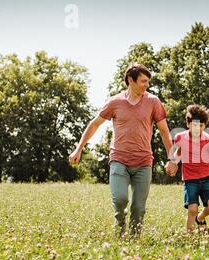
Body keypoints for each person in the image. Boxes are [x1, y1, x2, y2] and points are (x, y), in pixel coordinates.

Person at [69, 63, 177, 239]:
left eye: (148, 81)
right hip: (119, 159)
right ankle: (120, 227)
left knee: (139, 207)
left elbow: (164, 131)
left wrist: (172, 159)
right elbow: (95, 124)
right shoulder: (115, 102)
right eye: (143, 81)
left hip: (143, 162)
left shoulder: (153, 102)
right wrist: (78, 149)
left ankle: (134, 239)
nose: (146, 85)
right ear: (130, 80)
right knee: (120, 199)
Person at [168, 105, 209, 233]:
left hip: (207, 178)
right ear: (188, 124)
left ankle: (201, 217)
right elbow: (177, 153)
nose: (197, 128)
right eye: (194, 125)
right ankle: (190, 237)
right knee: (192, 209)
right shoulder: (180, 137)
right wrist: (172, 163)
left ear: (205, 126)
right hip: (190, 179)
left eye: (200, 125)